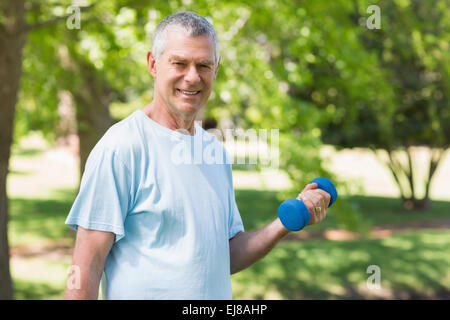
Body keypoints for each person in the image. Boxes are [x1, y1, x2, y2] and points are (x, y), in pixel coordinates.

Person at [63, 11, 330, 300]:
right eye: (179, 63)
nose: (192, 77)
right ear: (153, 63)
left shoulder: (214, 152)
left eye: (204, 65)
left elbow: (221, 255)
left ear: (216, 69)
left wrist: (284, 223)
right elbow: (84, 272)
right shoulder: (122, 148)